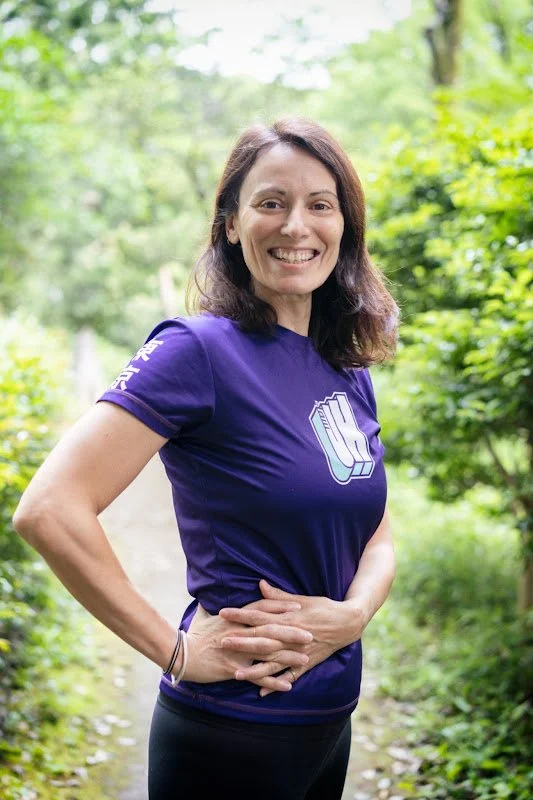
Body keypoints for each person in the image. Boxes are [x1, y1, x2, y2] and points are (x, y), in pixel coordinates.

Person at [13, 117, 398, 800]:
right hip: (231, 733)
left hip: (329, 721)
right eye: (270, 202)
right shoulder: (196, 352)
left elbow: (376, 529)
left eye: (319, 204)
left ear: (344, 227)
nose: (295, 226)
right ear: (229, 223)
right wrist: (176, 650)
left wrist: (354, 614)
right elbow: (49, 509)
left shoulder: (344, 368)